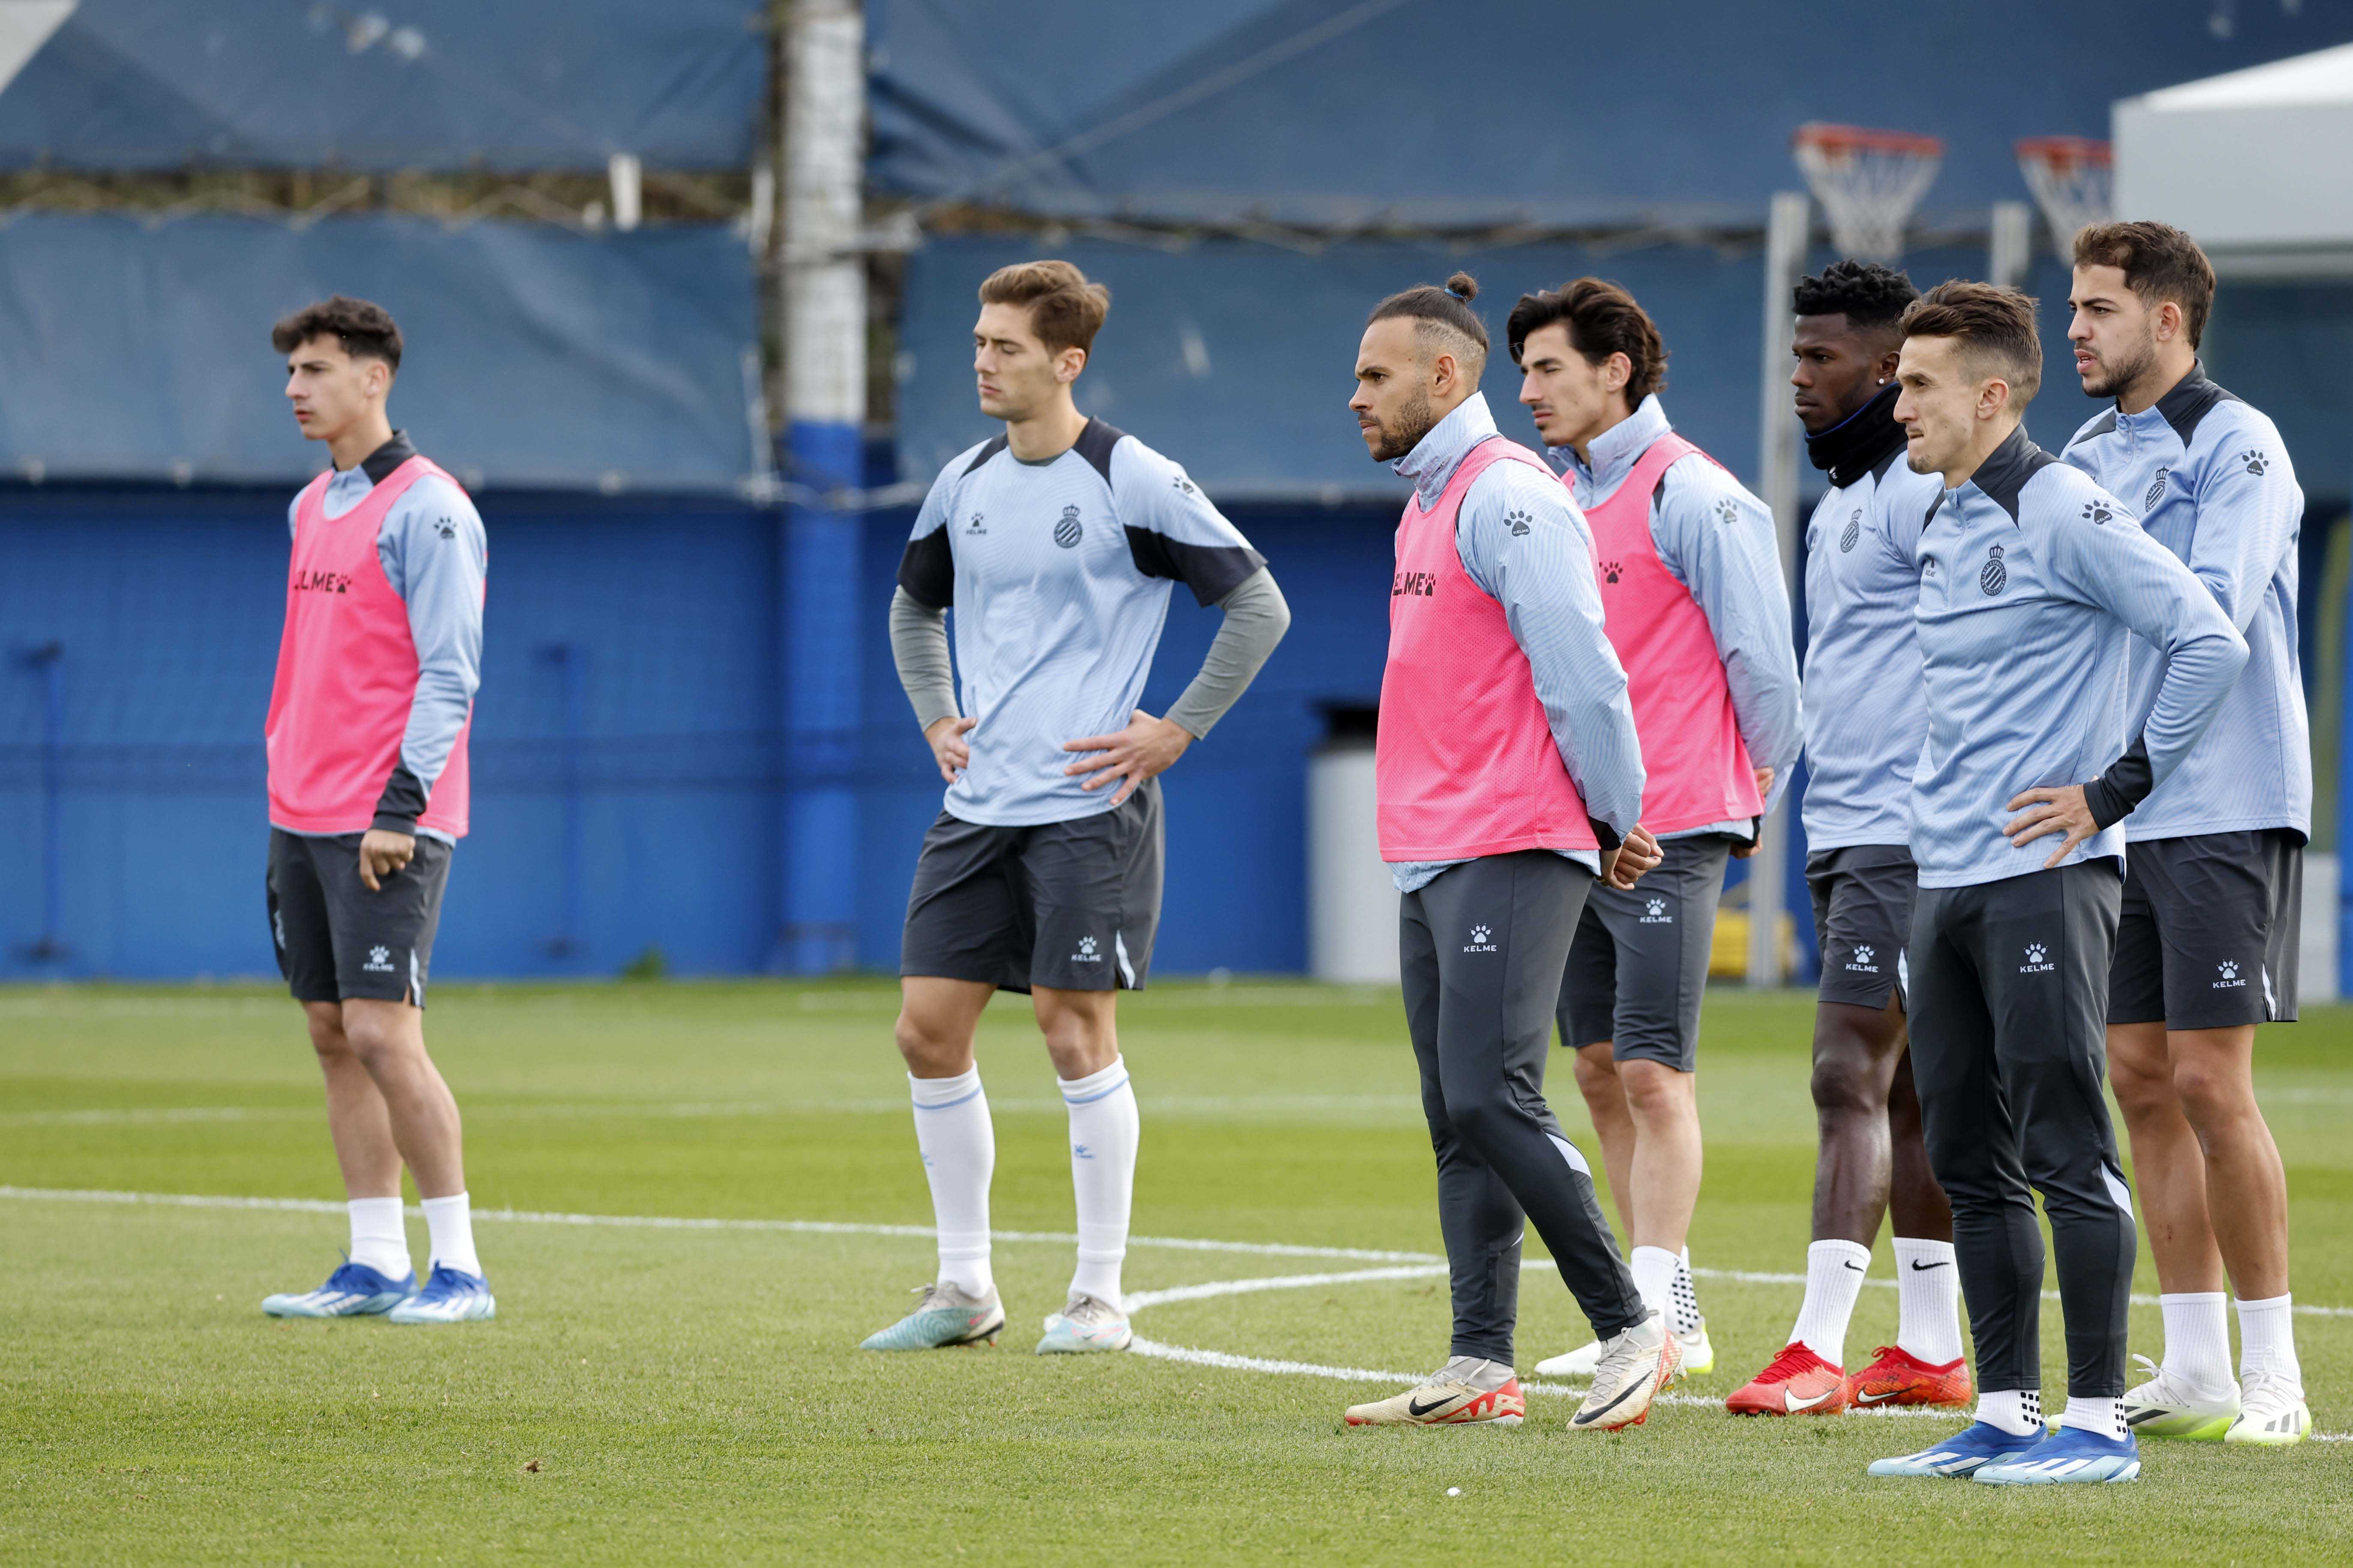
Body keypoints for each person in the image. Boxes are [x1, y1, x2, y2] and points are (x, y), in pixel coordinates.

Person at [866, 260, 1289, 1356]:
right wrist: (936, 714)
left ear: (1067, 362)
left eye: (1003, 346)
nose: (981, 362)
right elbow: (913, 611)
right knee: (925, 1031)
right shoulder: (962, 481)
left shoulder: (1130, 476)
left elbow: (1258, 605)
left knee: (1071, 1030)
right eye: (977, 342)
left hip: (1089, 807)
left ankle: (1099, 1297)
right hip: (978, 805)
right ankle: (965, 1288)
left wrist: (1176, 729)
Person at [1867, 282, 2246, 1485]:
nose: (1897, 404)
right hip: (1944, 881)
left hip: (2047, 879)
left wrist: (2114, 789)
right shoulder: (1940, 515)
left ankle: (2096, 1423)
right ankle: (2003, 1412)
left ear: (1991, 395)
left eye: (1917, 385)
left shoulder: (2063, 504)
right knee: (1966, 1158)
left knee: (2066, 1150)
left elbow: (2208, 639)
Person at [1337, 272, 1673, 1434]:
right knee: (1457, 1112)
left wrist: (1615, 814)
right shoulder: (1427, 502)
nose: (1355, 397)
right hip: (1433, 849)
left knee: (1492, 1094)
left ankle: (1630, 1324)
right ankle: (1481, 1361)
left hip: (1512, 836)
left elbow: (1581, 668)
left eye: (1375, 375)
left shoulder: (1508, 496)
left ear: (1445, 375)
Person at [1510, 279, 1803, 1381]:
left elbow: (1765, 663)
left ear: (1616, 370)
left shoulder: (1696, 493)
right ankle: (1654, 1317)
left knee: (1650, 1072)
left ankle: (1660, 1318)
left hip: (1676, 823)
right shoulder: (1553, 495)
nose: (1527, 391)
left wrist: (1754, 786)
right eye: (1524, 370)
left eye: (1547, 368)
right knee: (1596, 1069)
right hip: (1577, 828)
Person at [2059, 221, 2312, 1447]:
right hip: (2120, 814)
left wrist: (2121, 776)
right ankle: (2199, 1367)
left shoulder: (2239, 444)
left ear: (2166, 320)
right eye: (2071, 307)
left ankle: (2276, 1373)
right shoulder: (2085, 453)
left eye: (2097, 309)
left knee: (2211, 1080)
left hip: (2223, 802)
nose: (2073, 330)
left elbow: (2208, 619)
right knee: (2140, 1078)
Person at [1726, 261, 1966, 1417]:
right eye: (1795, 356)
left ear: (1886, 370)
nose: (1798, 377)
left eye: (1819, 358)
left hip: (1903, 833)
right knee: (1909, 1090)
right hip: (1844, 826)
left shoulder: (1927, 491)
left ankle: (1814, 1347)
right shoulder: (1840, 504)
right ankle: (1929, 1348)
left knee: (1843, 1071)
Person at [258, 295, 494, 1326]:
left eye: (314, 370)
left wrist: (401, 806)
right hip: (300, 811)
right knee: (330, 1031)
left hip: (387, 818)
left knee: (383, 1032)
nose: (295, 389)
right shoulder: (310, 505)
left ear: (374, 378)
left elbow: (451, 672)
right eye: (291, 372)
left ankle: (462, 1271)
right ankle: (373, 1262)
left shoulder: (430, 509)